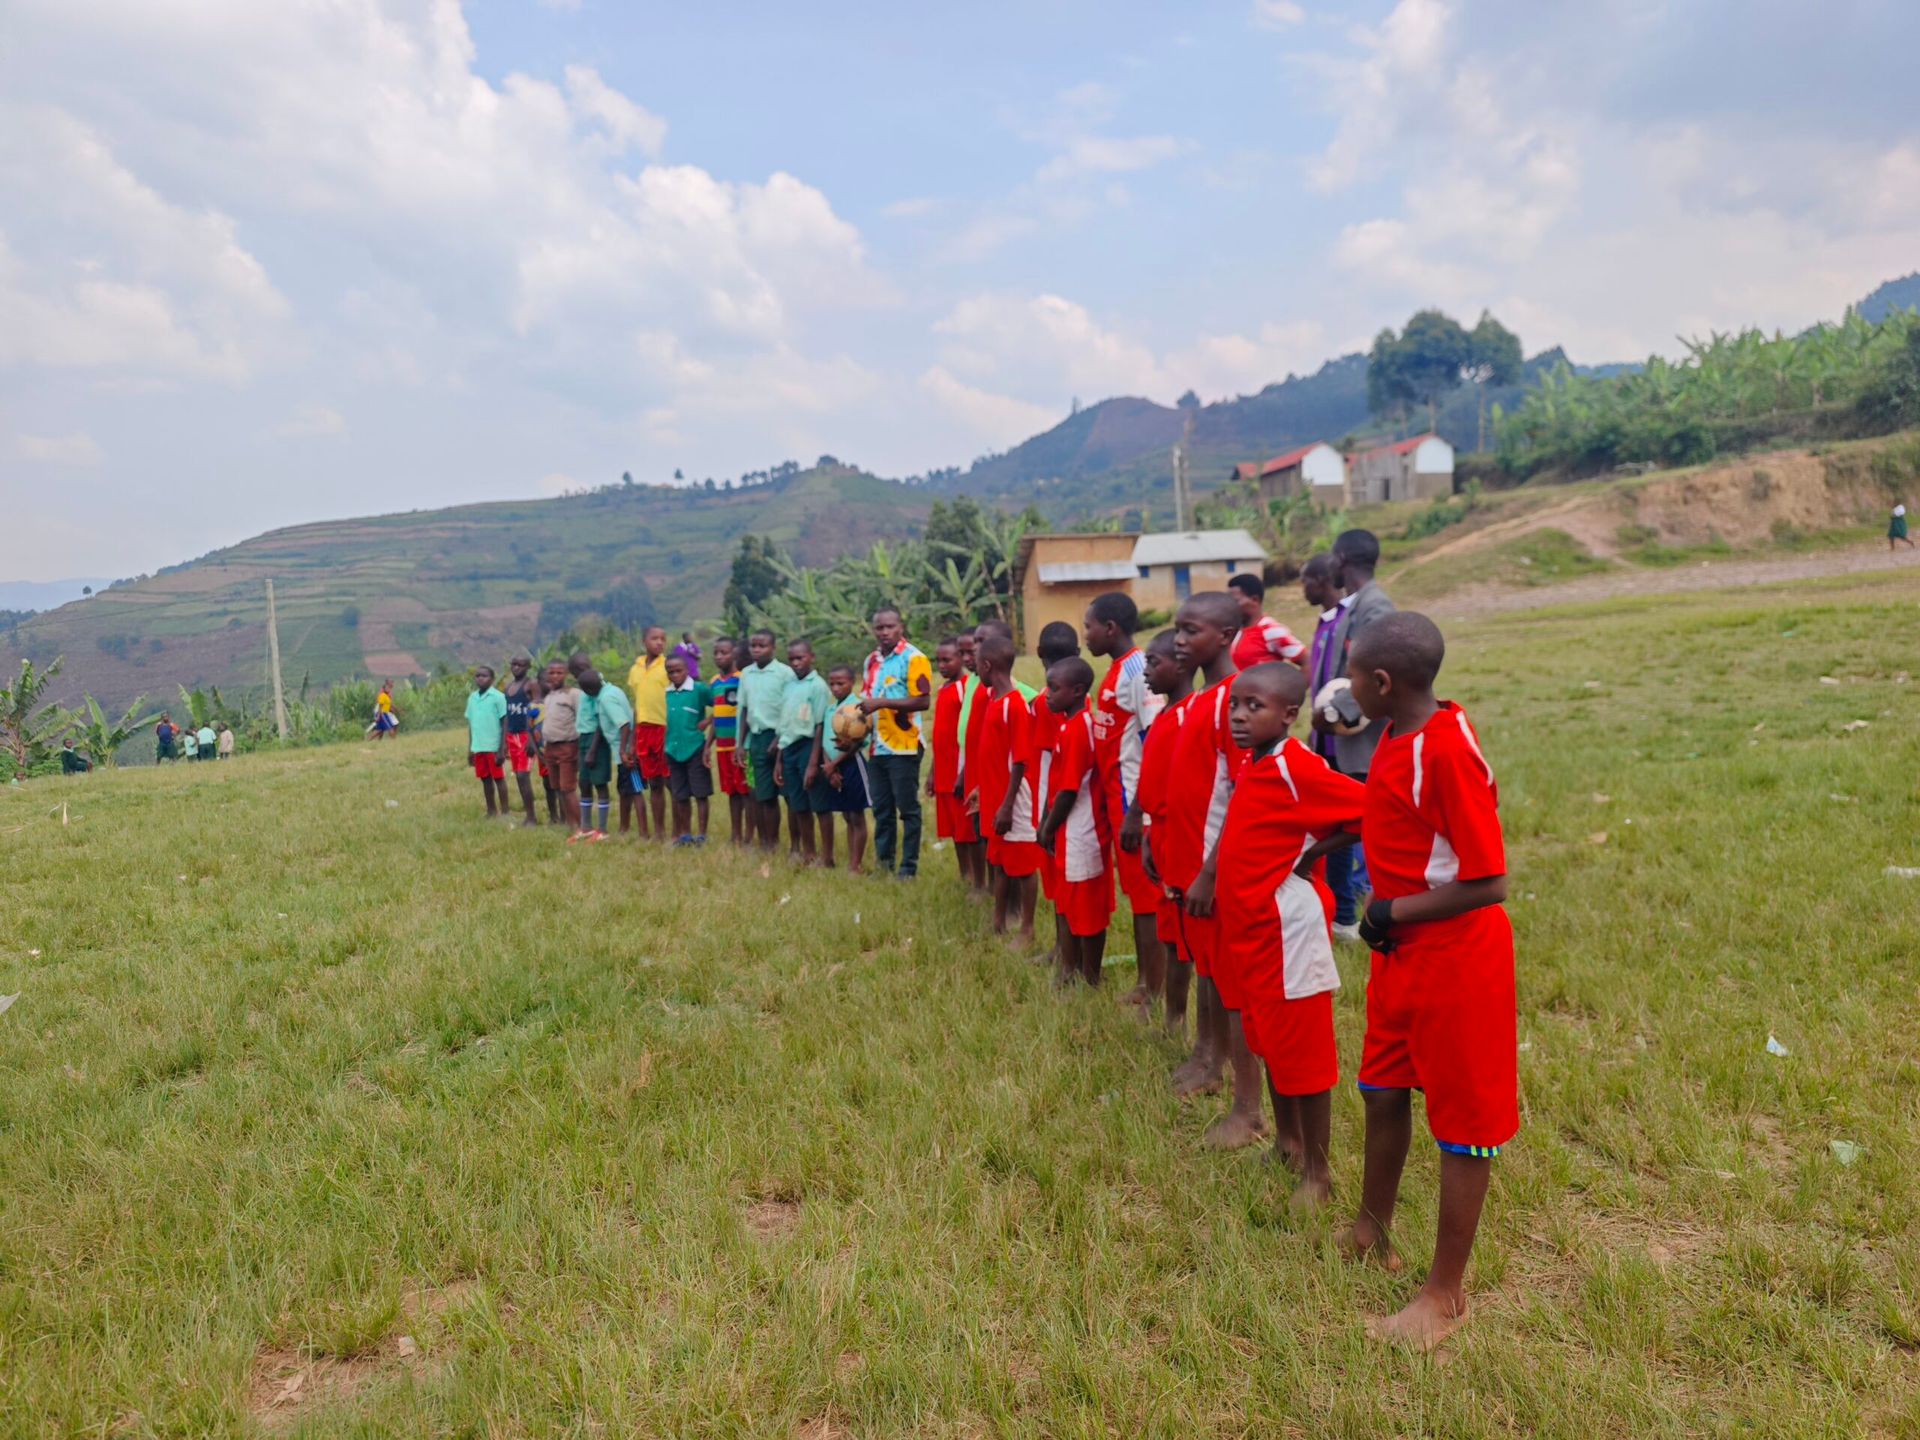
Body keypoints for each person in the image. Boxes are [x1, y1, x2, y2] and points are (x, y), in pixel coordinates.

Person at [1340, 611, 1516, 1351]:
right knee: (1382, 1087)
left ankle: (1444, 1292)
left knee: (1463, 1126)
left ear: (1382, 683)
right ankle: (1370, 1229)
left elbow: (1489, 881)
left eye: (1353, 674)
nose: (1346, 686)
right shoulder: (1394, 734)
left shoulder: (1446, 752)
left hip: (1455, 962)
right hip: (1400, 955)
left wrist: (1390, 908)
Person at [1218, 662, 1364, 1209]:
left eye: (1254, 707)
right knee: (1272, 1046)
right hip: (1253, 931)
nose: (1239, 715)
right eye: (1235, 704)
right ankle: (1288, 1141)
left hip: (1288, 931)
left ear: (1288, 714)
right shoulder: (1258, 762)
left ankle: (1319, 1176)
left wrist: (1313, 854)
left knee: (1302, 1055)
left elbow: (1370, 809)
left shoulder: (1297, 766)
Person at [1159, 592, 1268, 1150]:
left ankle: (1248, 1109)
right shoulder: (1203, 698)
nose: (1179, 639)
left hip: (1219, 871)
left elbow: (1247, 792)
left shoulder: (1241, 698)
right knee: (1209, 969)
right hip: (1192, 867)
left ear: (1225, 636)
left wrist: (1209, 870)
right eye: (1177, 629)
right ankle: (1208, 1057)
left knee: (1234, 986)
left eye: (1190, 629)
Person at [1082, 592, 1164, 1013]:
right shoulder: (1115, 671)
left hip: (1135, 804)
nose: (1085, 635)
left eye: (1089, 626)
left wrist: (1139, 810)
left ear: (1110, 628)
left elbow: (1155, 741)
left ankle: (1155, 988)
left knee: (1149, 900)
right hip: (1117, 799)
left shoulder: (1137, 670)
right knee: (1136, 895)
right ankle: (1144, 980)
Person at [1320, 529, 1397, 941]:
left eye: (1332, 556)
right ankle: (1343, 913)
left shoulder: (1376, 606)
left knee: (1363, 825)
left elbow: (1376, 666)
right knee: (1340, 824)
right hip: (1338, 737)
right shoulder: (1352, 606)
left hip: (1361, 738)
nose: (1328, 563)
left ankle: (1358, 912)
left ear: (1344, 558)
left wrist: (1334, 711)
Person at [1129, 631, 1195, 1042]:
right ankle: (1172, 1019)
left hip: (1187, 846)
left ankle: (1191, 1029)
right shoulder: (1166, 716)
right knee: (1170, 935)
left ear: (1181, 664)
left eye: (1154, 663)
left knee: (1189, 942)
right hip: (1163, 840)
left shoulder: (1193, 716)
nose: (1147, 672)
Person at [1036, 657, 1113, 987]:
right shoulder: (1066, 725)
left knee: (1088, 908)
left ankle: (1090, 976)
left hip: (1083, 831)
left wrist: (1047, 827)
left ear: (1078, 691)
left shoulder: (1081, 727)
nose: (1047, 694)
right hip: (1067, 829)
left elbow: (1069, 789)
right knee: (1067, 901)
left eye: (1054, 688)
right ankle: (1068, 969)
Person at [974, 631, 1042, 945]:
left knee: (1024, 866)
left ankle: (1027, 928)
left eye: (977, 665)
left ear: (988, 666)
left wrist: (1007, 804)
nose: (975, 671)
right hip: (993, 798)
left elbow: (1021, 761)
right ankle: (998, 920)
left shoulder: (1014, 705)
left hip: (1013, 801)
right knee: (999, 862)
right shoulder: (992, 699)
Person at [1301, 553, 1356, 928]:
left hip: (1346, 742)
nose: (1302, 587)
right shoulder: (1325, 623)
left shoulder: (1347, 621)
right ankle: (1341, 910)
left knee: (1349, 827)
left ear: (1321, 579)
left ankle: (1346, 913)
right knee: (1336, 826)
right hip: (1325, 741)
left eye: (1306, 579)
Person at [859, 607, 933, 880]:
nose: (885, 632)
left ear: (901, 627)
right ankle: (884, 864)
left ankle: (908, 867)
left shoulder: (914, 658)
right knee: (881, 809)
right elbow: (865, 700)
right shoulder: (871, 661)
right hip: (876, 746)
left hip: (904, 746)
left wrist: (882, 703)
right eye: (880, 627)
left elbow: (923, 700)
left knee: (908, 809)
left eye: (890, 626)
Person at [1030, 621, 1084, 968]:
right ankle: (1062, 949)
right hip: (1068, 802)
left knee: (1059, 885)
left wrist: (1044, 815)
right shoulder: (1082, 695)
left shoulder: (1045, 702)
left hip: (1054, 800)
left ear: (1038, 654)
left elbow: (1048, 760)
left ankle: (1064, 953)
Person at [773, 639, 832, 864]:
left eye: (800, 658)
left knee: (819, 804)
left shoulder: (817, 686)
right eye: (792, 659)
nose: (796, 663)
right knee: (798, 805)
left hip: (810, 747)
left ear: (811, 657)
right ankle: (808, 853)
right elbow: (784, 726)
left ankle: (827, 857)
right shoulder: (789, 686)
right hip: (789, 749)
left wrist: (812, 762)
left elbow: (819, 726)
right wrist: (779, 759)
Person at [735, 630, 794, 853]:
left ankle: (795, 845)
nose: (757, 650)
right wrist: (740, 744)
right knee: (762, 794)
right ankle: (768, 842)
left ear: (773, 648)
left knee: (788, 794)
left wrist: (780, 738)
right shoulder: (747, 674)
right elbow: (744, 710)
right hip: (757, 738)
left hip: (781, 738)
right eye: (753, 646)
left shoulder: (784, 673)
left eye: (762, 646)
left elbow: (790, 709)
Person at [926, 637, 977, 886]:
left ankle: (976, 876)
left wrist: (964, 772)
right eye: (939, 661)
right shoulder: (944, 689)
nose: (942, 665)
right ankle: (964, 874)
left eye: (947, 660)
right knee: (955, 830)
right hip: (944, 773)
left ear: (961, 659)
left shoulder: (965, 687)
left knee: (967, 830)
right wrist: (933, 772)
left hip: (959, 773)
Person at [818, 663, 871, 872]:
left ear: (852, 682)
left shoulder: (857, 706)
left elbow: (858, 742)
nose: (836, 688)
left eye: (841, 683)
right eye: (832, 684)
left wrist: (834, 764)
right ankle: (852, 861)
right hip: (832, 766)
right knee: (847, 815)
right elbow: (824, 740)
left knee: (856, 815)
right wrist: (828, 767)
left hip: (852, 764)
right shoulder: (831, 708)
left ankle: (855, 865)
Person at [663, 652, 714, 845]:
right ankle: (685, 833)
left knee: (700, 794)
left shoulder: (698, 690)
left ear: (687, 670)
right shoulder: (667, 693)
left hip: (695, 748)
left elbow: (720, 704)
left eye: (679, 670)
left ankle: (702, 835)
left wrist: (708, 720)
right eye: (671, 671)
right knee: (680, 794)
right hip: (673, 749)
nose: (675, 675)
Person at [627, 626, 672, 840]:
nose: (659, 642)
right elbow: (638, 703)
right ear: (644, 641)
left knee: (670, 779)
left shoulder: (668, 667)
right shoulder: (635, 668)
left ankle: (680, 830)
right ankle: (659, 831)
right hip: (644, 729)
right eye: (654, 638)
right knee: (653, 781)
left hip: (664, 727)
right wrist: (633, 739)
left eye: (663, 639)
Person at [578, 667, 633, 841]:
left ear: (590, 690)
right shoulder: (609, 691)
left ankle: (624, 830)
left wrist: (623, 751)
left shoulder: (606, 699)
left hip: (628, 753)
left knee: (635, 791)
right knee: (625, 790)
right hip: (623, 751)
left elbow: (624, 725)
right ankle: (620, 827)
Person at [708, 637, 750, 846]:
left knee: (745, 791)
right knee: (731, 792)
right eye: (716, 653)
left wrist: (741, 744)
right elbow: (715, 716)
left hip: (739, 747)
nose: (719, 657)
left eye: (723, 652)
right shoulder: (714, 682)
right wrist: (708, 745)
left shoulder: (743, 678)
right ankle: (736, 834)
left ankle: (750, 835)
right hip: (722, 747)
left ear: (734, 653)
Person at [1226, 573, 1307, 672]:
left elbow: (1308, 662)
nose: (1230, 606)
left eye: (1235, 601)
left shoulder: (1271, 630)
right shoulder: (1233, 632)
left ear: (1254, 600)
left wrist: (1292, 687)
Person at [539, 660, 583, 834]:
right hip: (550, 747)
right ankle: (569, 823)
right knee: (557, 787)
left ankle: (580, 827)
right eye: (552, 673)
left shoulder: (574, 694)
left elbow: (582, 720)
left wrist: (580, 750)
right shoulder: (549, 696)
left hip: (568, 746)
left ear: (566, 675)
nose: (555, 676)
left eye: (559, 673)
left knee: (568, 788)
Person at [502, 655, 542, 826]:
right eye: (514, 664)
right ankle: (528, 815)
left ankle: (532, 817)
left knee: (523, 775)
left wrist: (533, 738)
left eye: (521, 664)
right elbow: (507, 716)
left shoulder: (531, 684)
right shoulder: (509, 687)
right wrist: (504, 741)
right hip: (512, 735)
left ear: (528, 667)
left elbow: (537, 710)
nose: (516, 667)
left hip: (526, 735)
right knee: (519, 777)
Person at [465, 665, 510, 818]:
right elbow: (471, 724)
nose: (480, 678)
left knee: (499, 779)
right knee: (485, 779)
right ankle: (491, 810)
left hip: (493, 746)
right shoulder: (472, 698)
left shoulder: (498, 697)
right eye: (477, 675)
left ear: (492, 679)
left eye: (484, 676)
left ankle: (505, 811)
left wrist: (502, 747)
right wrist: (470, 748)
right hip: (479, 746)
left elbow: (505, 721)